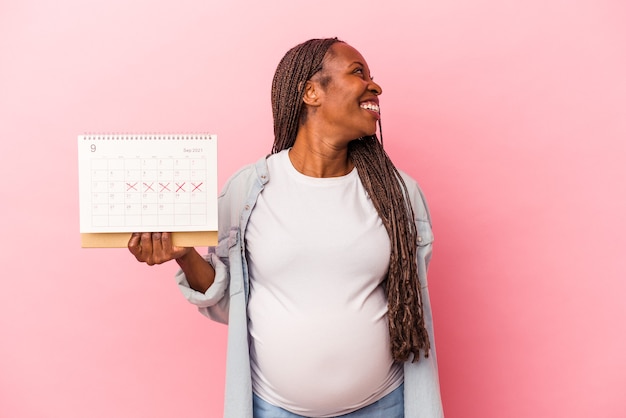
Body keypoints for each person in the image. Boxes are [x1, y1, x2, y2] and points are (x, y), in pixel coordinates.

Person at [128, 37, 444, 418]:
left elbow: (407, 298)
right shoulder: (247, 191)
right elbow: (232, 304)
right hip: (273, 409)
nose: (374, 86)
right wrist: (184, 256)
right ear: (311, 91)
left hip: (383, 405)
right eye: (358, 73)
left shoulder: (397, 194)